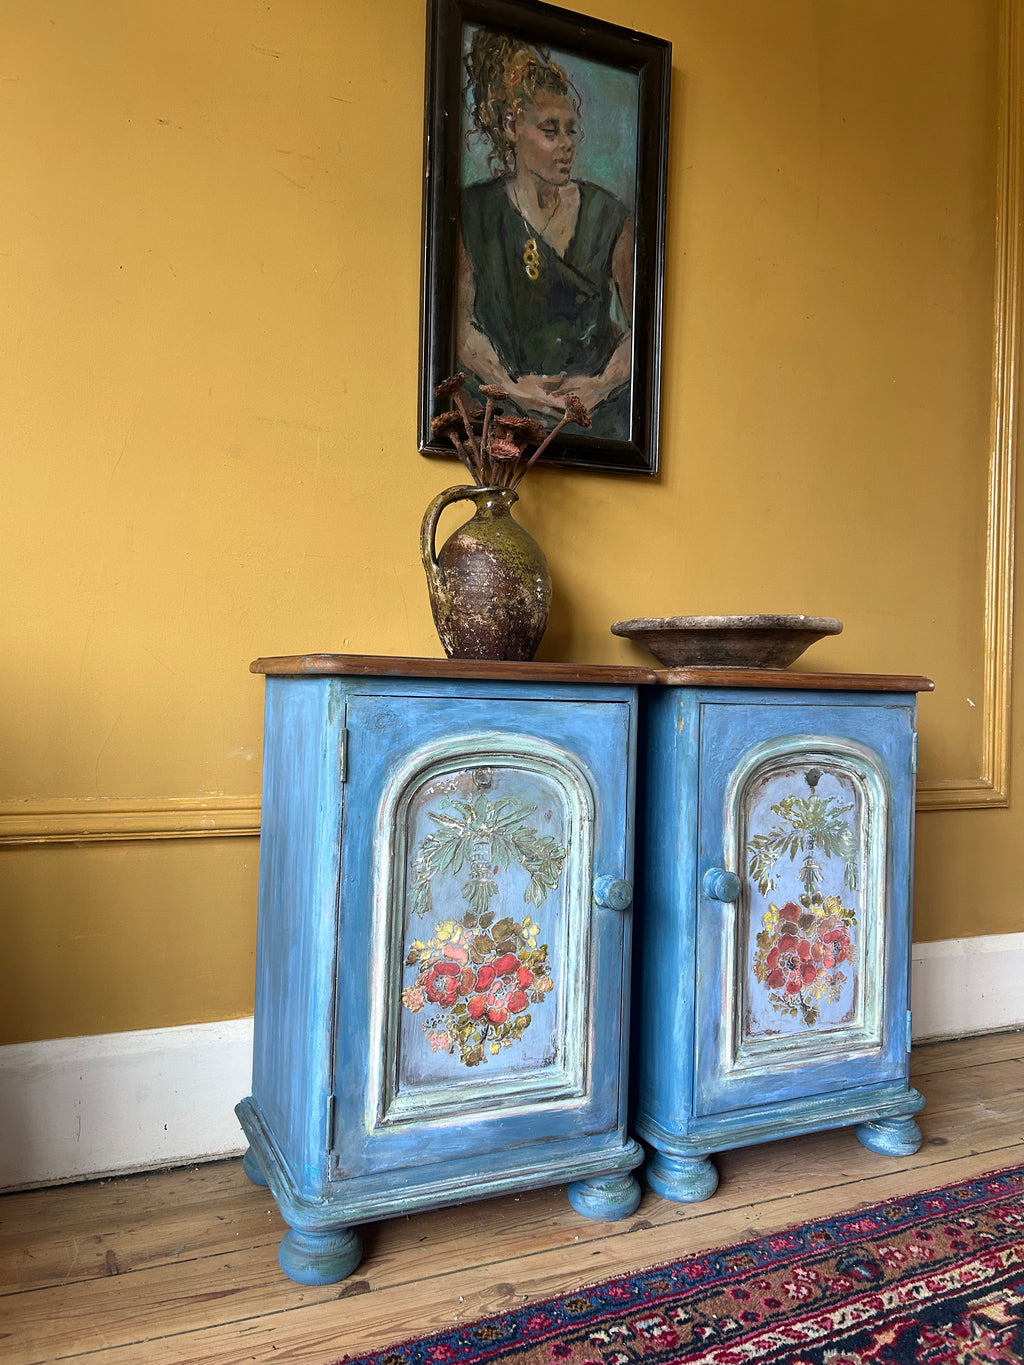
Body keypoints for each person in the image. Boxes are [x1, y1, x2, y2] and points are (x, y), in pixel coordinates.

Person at [457, 29, 634, 439]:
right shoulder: (475, 213)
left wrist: (600, 385)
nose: (567, 145)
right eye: (550, 130)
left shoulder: (608, 217)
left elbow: (645, 332)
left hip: (592, 420)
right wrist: (513, 388)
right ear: (512, 127)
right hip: (500, 416)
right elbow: (461, 327)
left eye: (571, 130)